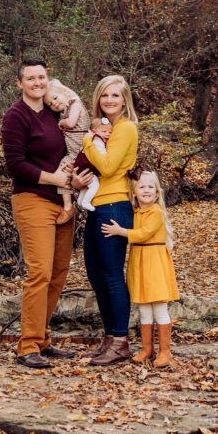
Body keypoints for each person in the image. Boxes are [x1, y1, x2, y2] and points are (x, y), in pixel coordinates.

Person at [1, 59, 77, 369]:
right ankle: (27, 345)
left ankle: (43, 339)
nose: (37, 82)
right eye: (30, 78)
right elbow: (16, 165)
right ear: (19, 83)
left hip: (64, 201)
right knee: (40, 273)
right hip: (33, 199)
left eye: (42, 77)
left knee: (58, 274)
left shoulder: (53, 113)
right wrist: (54, 179)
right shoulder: (15, 117)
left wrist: (74, 179)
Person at [75, 75, 138, 365]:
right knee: (96, 275)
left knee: (112, 276)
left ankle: (121, 341)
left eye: (115, 96)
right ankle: (109, 338)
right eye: (104, 96)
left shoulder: (124, 129)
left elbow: (109, 167)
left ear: (124, 100)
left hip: (115, 206)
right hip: (97, 207)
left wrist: (87, 142)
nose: (109, 100)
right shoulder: (107, 129)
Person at [101, 169, 178, 367]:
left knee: (159, 307)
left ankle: (164, 351)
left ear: (157, 193)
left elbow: (144, 233)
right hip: (140, 261)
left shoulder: (156, 212)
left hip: (154, 262)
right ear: (134, 192)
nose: (146, 190)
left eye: (150, 187)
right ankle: (146, 348)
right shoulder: (135, 212)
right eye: (141, 187)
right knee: (143, 308)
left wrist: (120, 231)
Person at [44, 79, 90, 225]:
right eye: (50, 104)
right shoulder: (65, 109)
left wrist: (61, 123)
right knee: (70, 174)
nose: (54, 104)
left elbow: (70, 123)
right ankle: (78, 202)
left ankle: (68, 206)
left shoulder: (75, 104)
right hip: (76, 150)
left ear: (64, 92)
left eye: (55, 98)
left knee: (61, 170)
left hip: (80, 150)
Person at [75, 117, 112, 212]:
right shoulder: (97, 141)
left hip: (81, 168)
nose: (107, 134)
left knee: (88, 185)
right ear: (94, 131)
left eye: (110, 132)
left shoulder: (91, 140)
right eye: (104, 131)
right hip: (86, 168)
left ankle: (80, 201)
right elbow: (102, 156)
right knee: (95, 185)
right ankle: (86, 202)